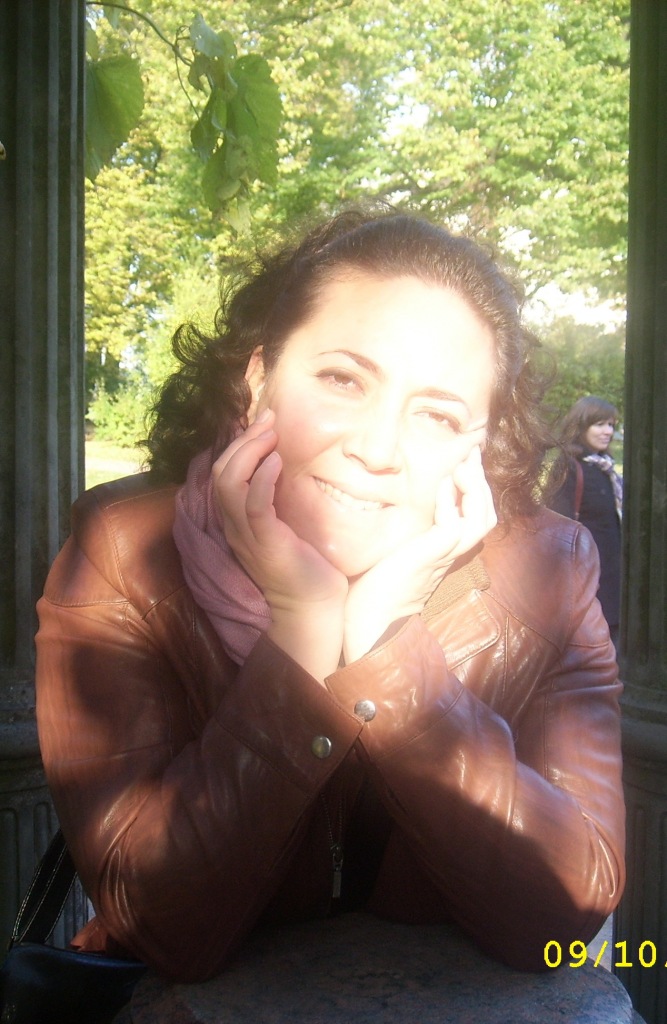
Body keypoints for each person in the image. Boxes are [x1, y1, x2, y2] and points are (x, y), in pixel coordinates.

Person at [35, 209, 625, 984]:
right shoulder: (124, 551)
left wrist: (386, 651)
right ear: (258, 383)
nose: (377, 449)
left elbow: (564, 912)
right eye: (342, 380)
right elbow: (162, 924)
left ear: (477, 449)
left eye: (437, 414)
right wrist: (303, 630)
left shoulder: (550, 569)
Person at [547, 396, 623, 648]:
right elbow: (556, 529)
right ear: (581, 426)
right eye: (599, 424)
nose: (608, 431)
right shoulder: (569, 468)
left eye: (611, 425)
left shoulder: (607, 469)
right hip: (588, 585)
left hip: (614, 581)